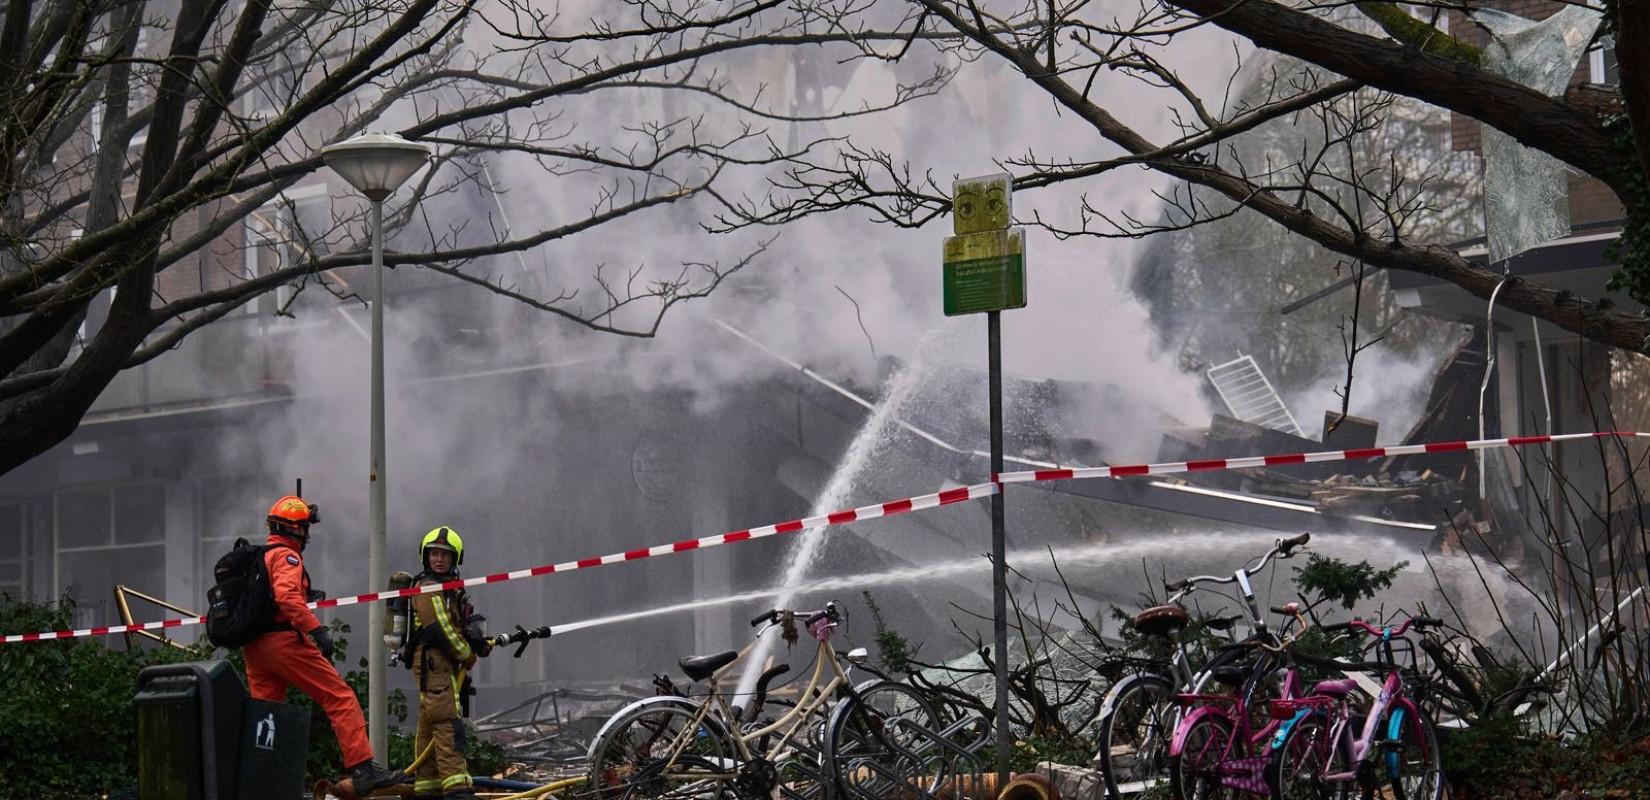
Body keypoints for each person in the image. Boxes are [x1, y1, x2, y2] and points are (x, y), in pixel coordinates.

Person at [244, 495, 404, 795]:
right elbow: (286, 598)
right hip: (283, 644)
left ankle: (263, 783)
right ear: (294, 529)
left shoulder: (261, 557)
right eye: (305, 528)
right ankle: (362, 769)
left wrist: (307, 594)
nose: (307, 535)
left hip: (255, 650)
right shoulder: (287, 557)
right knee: (339, 697)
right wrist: (317, 631)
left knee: (268, 717)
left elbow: (273, 597)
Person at [408, 526, 491, 800]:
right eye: (434, 554)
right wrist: (467, 654)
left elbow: (456, 624)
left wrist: (477, 639)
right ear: (426, 556)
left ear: (455, 559)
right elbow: (440, 629)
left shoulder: (449, 589)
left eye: (445, 554)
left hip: (438, 666)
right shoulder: (428, 588)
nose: (439, 559)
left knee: (430, 725)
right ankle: (457, 790)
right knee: (446, 725)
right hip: (435, 664)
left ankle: (428, 788)